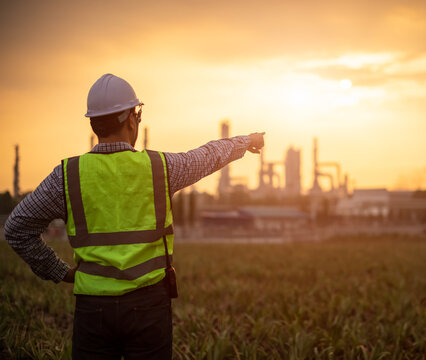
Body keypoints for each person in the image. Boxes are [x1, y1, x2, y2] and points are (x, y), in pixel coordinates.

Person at [4, 73, 265, 359]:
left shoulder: (67, 176)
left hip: (93, 309)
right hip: (149, 306)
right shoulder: (160, 168)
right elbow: (206, 156)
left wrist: (59, 272)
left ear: (93, 122)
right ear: (131, 118)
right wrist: (245, 141)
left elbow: (17, 228)